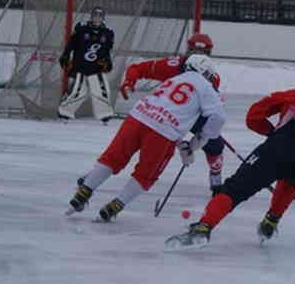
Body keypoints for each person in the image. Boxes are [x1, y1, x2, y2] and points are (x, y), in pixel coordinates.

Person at [164, 72, 295, 250]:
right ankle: (271, 221)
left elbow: (254, 115)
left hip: (282, 145)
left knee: (235, 188)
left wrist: (270, 133)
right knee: (291, 178)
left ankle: (204, 227)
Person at [65, 54, 226, 221]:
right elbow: (219, 117)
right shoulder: (206, 87)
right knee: (146, 174)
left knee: (112, 158)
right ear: (205, 73)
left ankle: (84, 191)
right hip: (163, 131)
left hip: (138, 116)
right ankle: (116, 205)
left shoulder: (176, 77)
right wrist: (199, 140)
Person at [118, 32, 227, 193]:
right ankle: (102, 171)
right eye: (193, 52)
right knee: (145, 141)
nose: (197, 56)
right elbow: (138, 68)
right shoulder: (172, 65)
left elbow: (212, 107)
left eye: (202, 53)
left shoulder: (212, 75)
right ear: (188, 50)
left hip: (192, 115)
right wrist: (129, 81)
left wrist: (206, 132)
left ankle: (216, 177)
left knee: (216, 145)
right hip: (165, 114)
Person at [57, 7, 116, 121]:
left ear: (103, 18)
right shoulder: (81, 28)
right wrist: (66, 55)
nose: (97, 18)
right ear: (91, 16)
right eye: (95, 15)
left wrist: (107, 61)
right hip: (80, 66)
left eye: (100, 16)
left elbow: (107, 51)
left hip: (96, 67)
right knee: (79, 92)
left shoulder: (108, 33)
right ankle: (65, 111)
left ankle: (104, 113)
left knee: (101, 90)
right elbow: (71, 44)